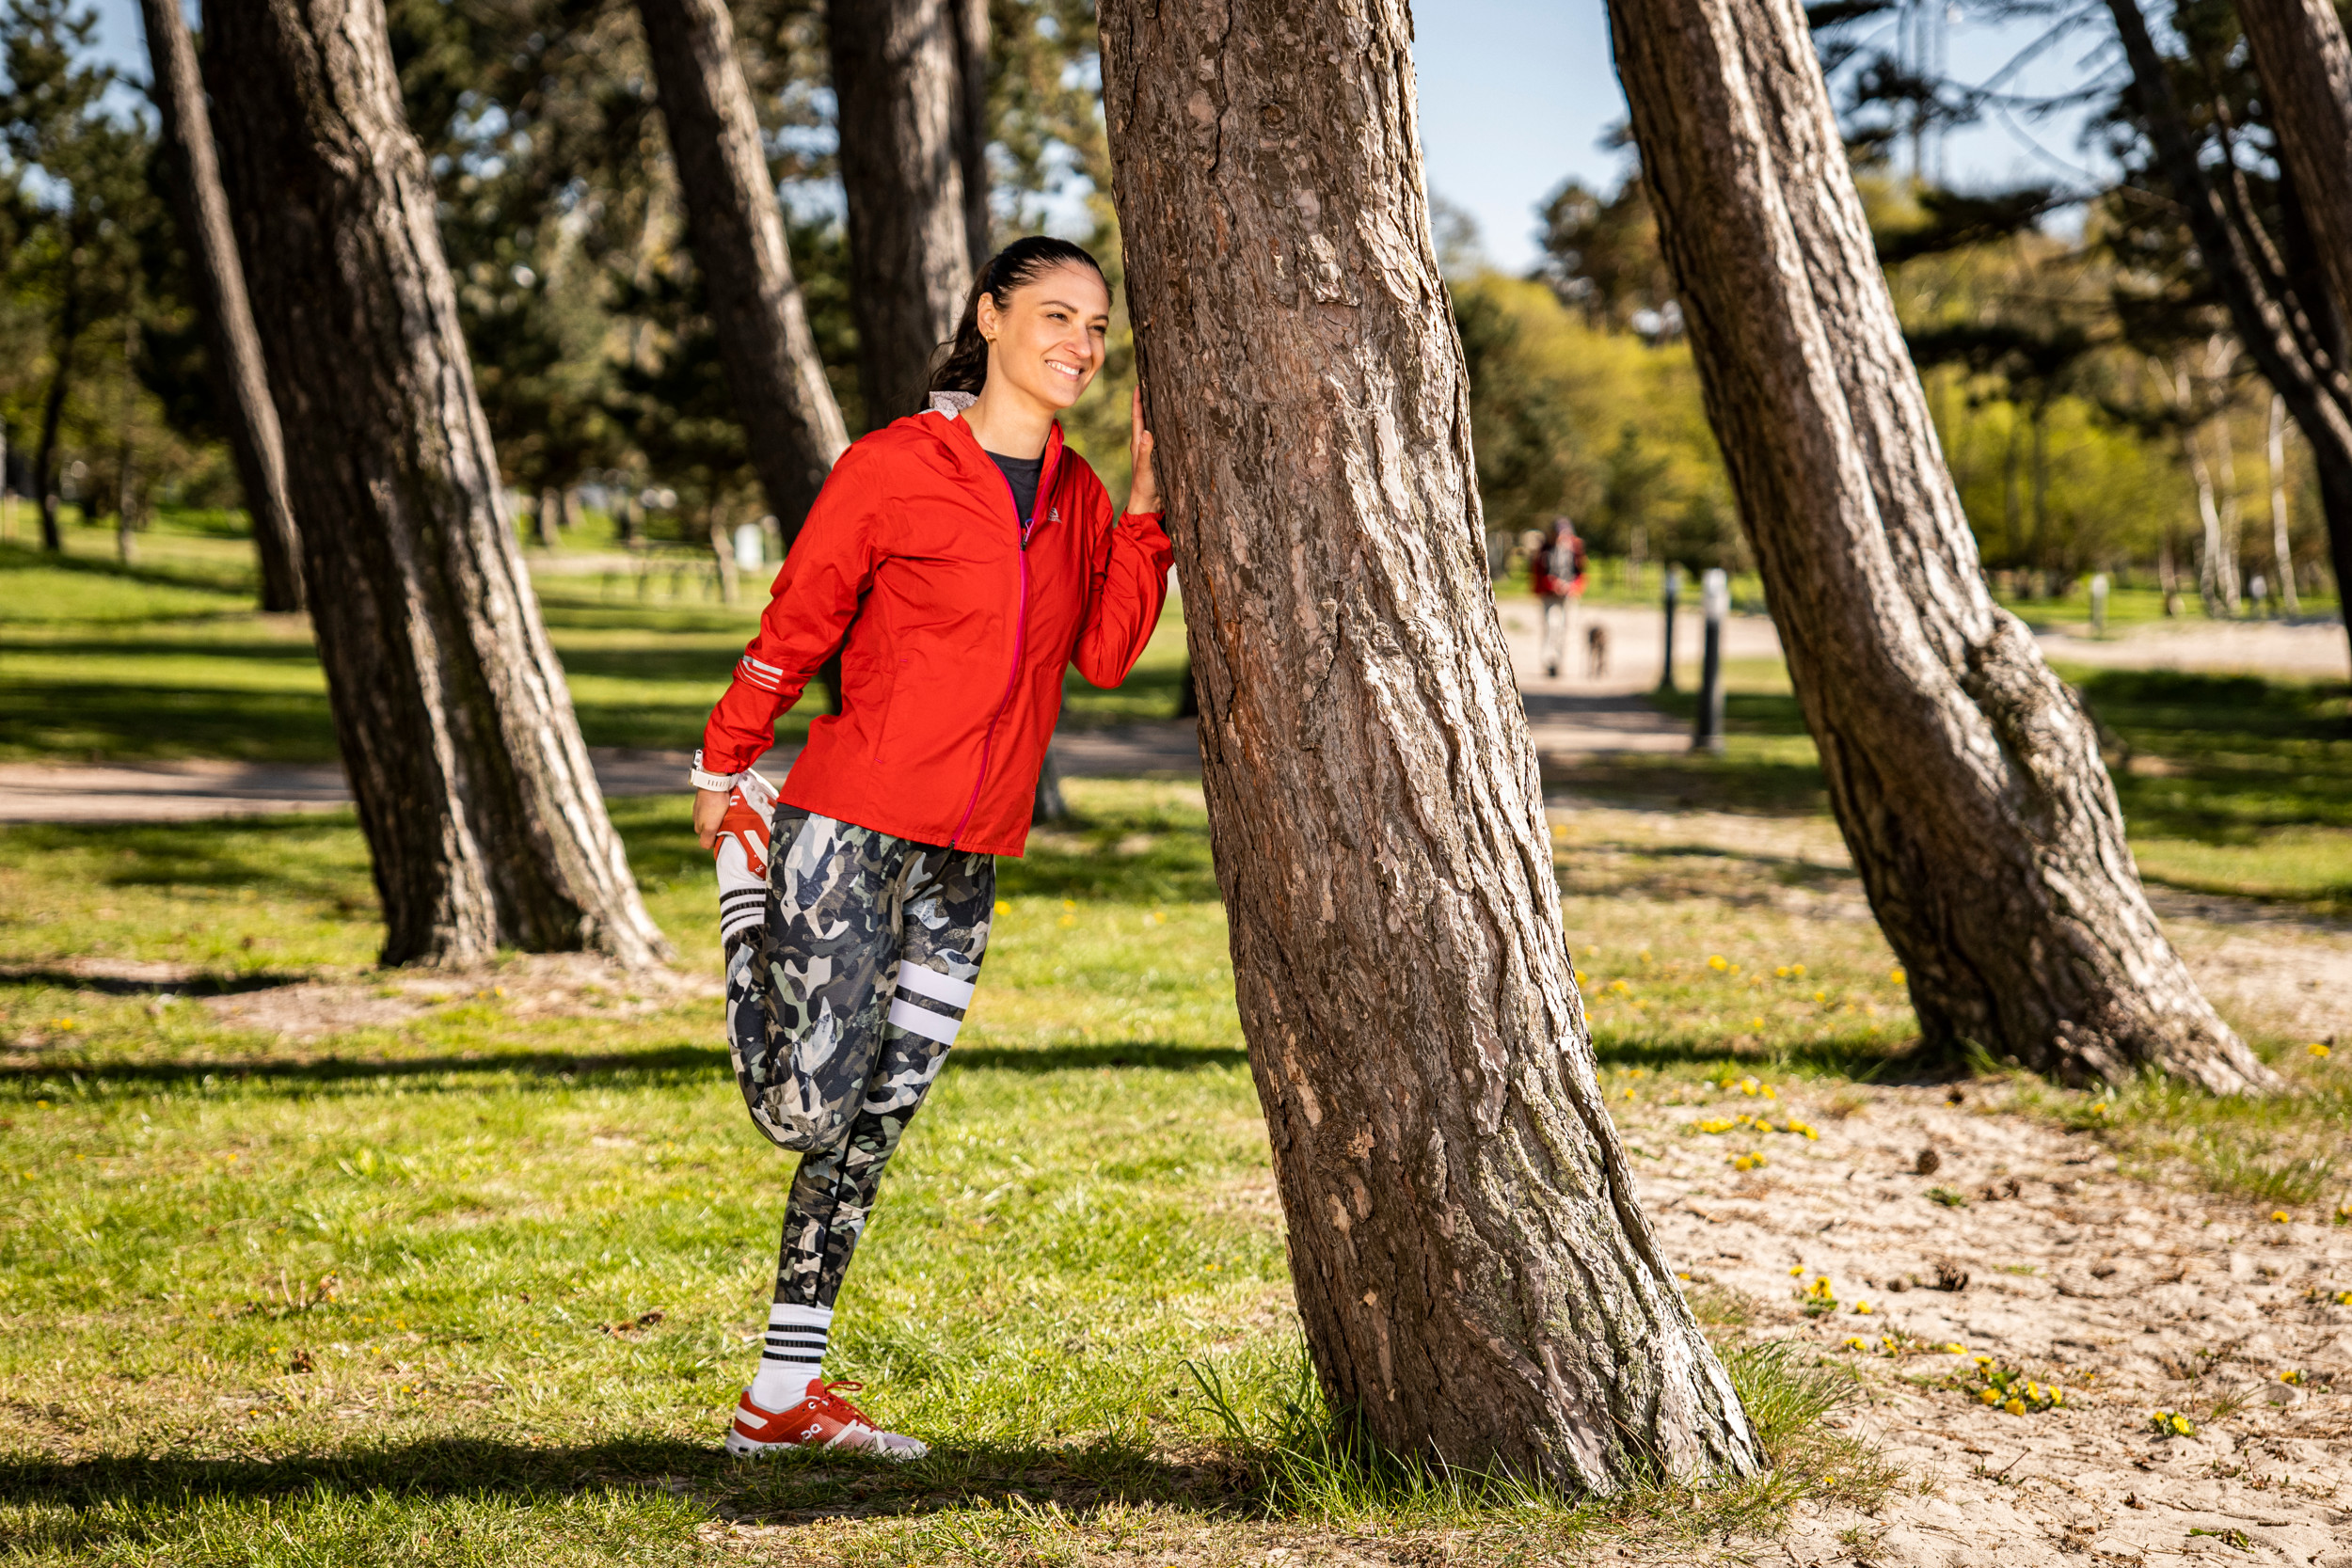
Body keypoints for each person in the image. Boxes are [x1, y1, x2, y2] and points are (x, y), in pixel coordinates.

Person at [687, 236, 1170, 1460]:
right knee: (805, 1110)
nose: (1079, 344)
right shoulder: (898, 465)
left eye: (1097, 329)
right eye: (1056, 315)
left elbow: (1105, 653)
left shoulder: (1079, 497)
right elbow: (798, 620)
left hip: (970, 854)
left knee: (874, 1118)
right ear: (990, 316)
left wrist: (1152, 517)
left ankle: (781, 1396)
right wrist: (726, 759)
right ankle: (747, 889)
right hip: (844, 826)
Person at [1532, 516, 1587, 677]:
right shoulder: (1544, 550)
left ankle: (1560, 663)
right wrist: (1553, 584)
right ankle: (1549, 661)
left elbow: (1581, 574)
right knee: (1551, 625)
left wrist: (1571, 587)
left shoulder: (1574, 550)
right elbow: (1538, 574)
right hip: (1549, 595)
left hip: (1568, 595)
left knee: (1566, 629)